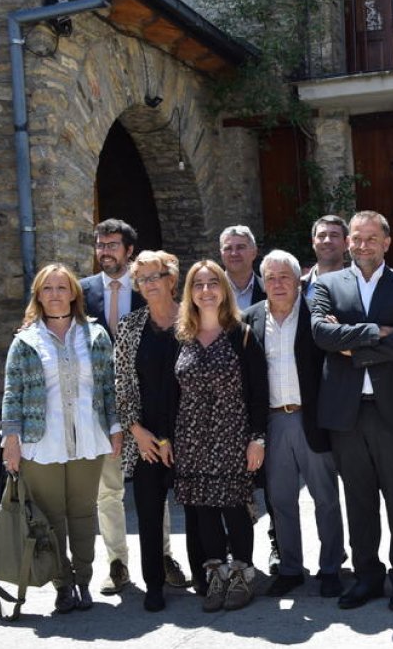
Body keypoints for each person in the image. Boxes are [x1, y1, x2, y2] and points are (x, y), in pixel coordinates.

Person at [311, 210, 393, 613]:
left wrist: (351, 348)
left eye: (370, 238)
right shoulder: (326, 285)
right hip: (347, 413)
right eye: (356, 239)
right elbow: (321, 334)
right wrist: (375, 332)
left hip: (391, 411)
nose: (362, 245)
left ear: (387, 242)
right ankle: (366, 577)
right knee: (358, 500)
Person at [0, 264, 122, 613]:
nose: (55, 294)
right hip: (42, 440)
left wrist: (115, 428)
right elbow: (13, 392)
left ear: (73, 294)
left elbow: (108, 386)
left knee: (83, 513)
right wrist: (11, 439)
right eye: (47, 288)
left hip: (88, 436)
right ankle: (62, 584)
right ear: (38, 296)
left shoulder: (96, 336)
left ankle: (83, 581)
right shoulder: (25, 340)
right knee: (50, 516)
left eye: (61, 287)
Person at [80, 219, 187, 595]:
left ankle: (162, 557)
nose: (105, 250)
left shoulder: (147, 285)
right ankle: (117, 563)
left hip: (147, 407)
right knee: (108, 491)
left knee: (152, 490)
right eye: (100, 244)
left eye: (112, 244)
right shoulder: (82, 291)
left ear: (129, 251)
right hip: (102, 410)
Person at [242, 250, 346, 599]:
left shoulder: (318, 314)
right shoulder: (250, 318)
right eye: (269, 278)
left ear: (298, 279)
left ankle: (331, 567)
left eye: (284, 276)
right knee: (280, 500)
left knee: (325, 498)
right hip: (272, 421)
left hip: (311, 418)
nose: (277, 283)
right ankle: (290, 568)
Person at [174, 260, 268, 613]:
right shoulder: (181, 337)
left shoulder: (242, 334)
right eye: (198, 284)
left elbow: (260, 393)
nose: (206, 290)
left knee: (234, 508)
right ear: (190, 293)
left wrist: (257, 438)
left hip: (233, 436)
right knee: (204, 512)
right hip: (192, 438)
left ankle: (242, 575)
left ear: (224, 290)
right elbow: (174, 395)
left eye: (213, 283)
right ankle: (215, 575)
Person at [112, 250, 202, 610]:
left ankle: (205, 577)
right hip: (146, 438)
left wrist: (184, 436)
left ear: (172, 279)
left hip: (190, 437)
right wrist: (136, 430)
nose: (149, 284)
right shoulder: (130, 326)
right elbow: (121, 383)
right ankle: (154, 585)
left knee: (197, 513)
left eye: (155, 276)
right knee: (148, 514)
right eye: (142, 278)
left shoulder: (194, 320)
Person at [219, 225, 266, 309]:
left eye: (240, 247)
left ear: (254, 253)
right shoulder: (210, 293)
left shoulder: (269, 291)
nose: (234, 253)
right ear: (221, 254)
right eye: (228, 248)